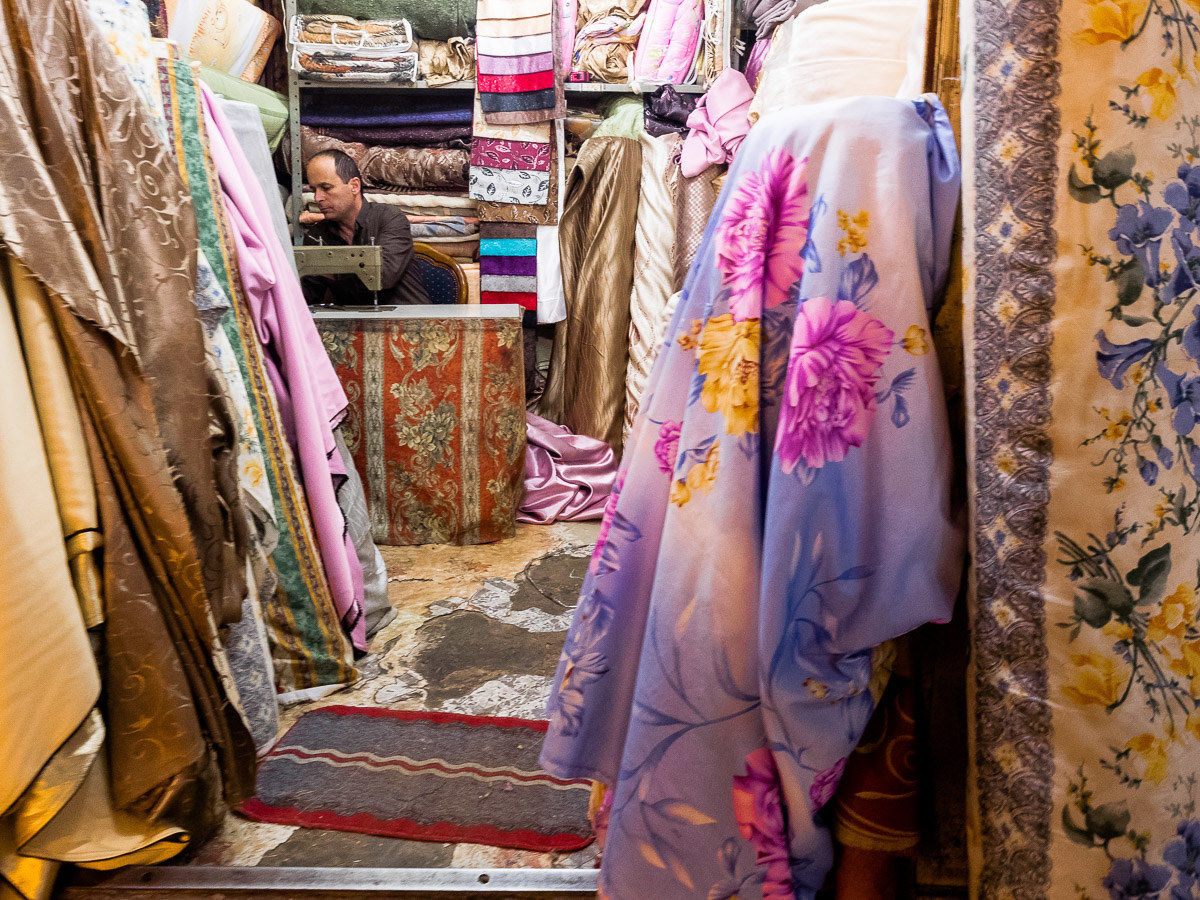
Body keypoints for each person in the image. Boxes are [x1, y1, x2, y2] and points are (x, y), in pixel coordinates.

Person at [300, 149, 429, 306]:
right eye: (314, 190)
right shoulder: (317, 235)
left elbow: (383, 276)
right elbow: (307, 295)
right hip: (356, 327)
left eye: (326, 188)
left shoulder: (389, 218)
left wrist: (325, 267)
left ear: (354, 186)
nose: (317, 198)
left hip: (412, 325)